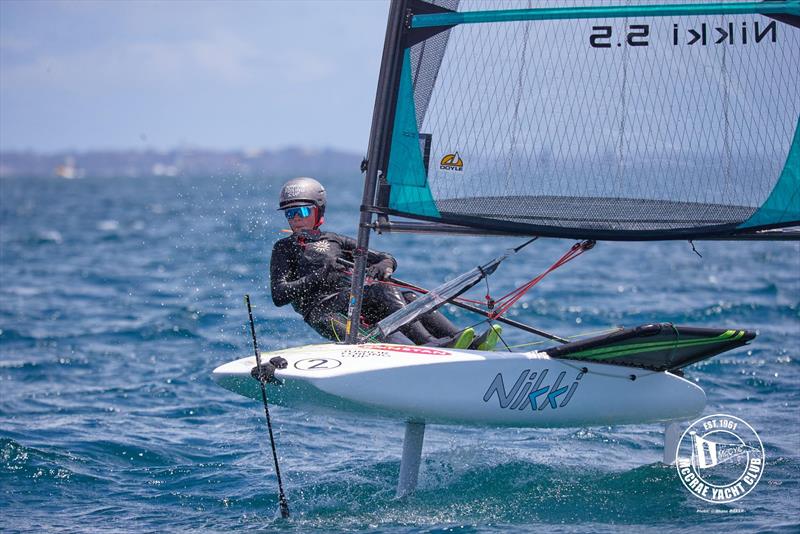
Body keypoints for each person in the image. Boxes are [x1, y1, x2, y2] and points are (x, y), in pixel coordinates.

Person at [269, 177, 501, 348]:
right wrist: (318, 276)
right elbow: (279, 295)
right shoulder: (283, 248)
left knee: (409, 297)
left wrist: (383, 266)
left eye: (301, 211)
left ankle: (463, 341)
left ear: (319, 211)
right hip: (323, 312)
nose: (296, 219)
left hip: (354, 302)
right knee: (381, 293)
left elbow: (386, 257)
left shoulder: (334, 240)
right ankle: (431, 345)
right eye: (290, 214)